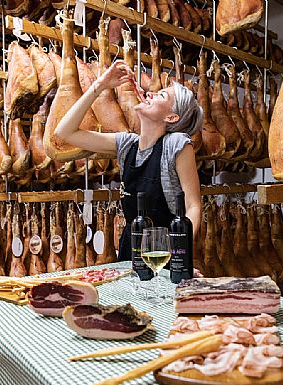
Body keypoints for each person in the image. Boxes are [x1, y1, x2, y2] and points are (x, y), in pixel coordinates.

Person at [55, 60, 203, 261]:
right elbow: (64, 132)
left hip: (165, 250)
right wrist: (100, 85)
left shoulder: (176, 144)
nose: (149, 93)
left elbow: (193, 206)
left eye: (161, 95)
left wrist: (179, 254)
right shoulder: (127, 144)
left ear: (171, 117)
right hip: (130, 251)